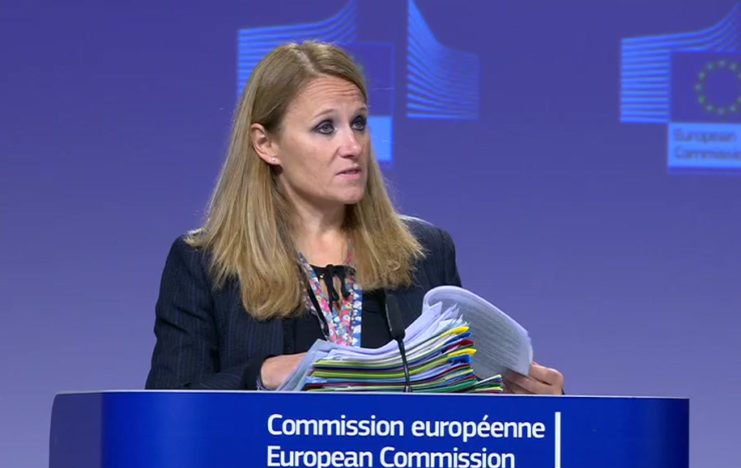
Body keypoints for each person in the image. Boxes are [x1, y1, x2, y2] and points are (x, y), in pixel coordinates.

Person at [145, 41, 564, 394]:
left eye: (359, 123)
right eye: (325, 127)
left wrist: (529, 399)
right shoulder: (205, 264)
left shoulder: (426, 252)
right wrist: (261, 375)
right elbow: (165, 409)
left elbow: (460, 400)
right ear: (266, 144)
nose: (352, 146)